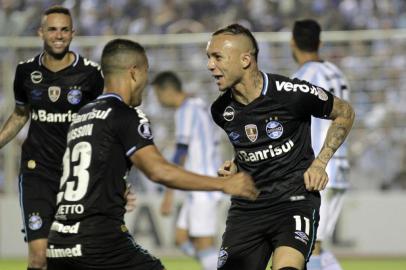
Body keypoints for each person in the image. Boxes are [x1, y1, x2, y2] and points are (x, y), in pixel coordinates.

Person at [46, 38, 258, 270]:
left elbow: (80, 172)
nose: (146, 84)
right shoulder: (126, 114)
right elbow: (158, 170)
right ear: (134, 72)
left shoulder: (82, 115)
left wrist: (114, 189)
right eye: (146, 73)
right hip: (100, 243)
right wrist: (223, 185)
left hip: (59, 244)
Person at [207, 24, 355, 270]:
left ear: (245, 59)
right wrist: (237, 165)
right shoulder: (221, 111)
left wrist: (320, 163)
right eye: (209, 58)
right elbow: (249, 143)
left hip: (294, 202)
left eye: (217, 57)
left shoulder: (292, 93)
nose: (210, 65)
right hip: (247, 209)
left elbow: (345, 113)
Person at [0, 6, 104, 270]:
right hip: (37, 172)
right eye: (52, 29)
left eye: (64, 30)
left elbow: (104, 126)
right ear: (41, 33)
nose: (58, 35)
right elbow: (20, 114)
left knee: (73, 256)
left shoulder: (91, 75)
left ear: (73, 33)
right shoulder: (25, 72)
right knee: (39, 257)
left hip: (77, 176)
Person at [290, 19, 351, 270]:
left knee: (308, 243)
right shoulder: (337, 73)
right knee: (317, 243)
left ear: (292, 44)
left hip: (318, 169)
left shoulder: (301, 78)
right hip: (339, 165)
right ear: (320, 42)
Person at [152, 71, 222, 270]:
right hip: (200, 185)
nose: (157, 100)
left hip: (203, 186)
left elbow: (180, 153)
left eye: (157, 94)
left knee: (204, 244)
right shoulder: (198, 105)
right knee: (181, 238)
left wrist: (168, 193)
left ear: (165, 91)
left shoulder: (185, 110)